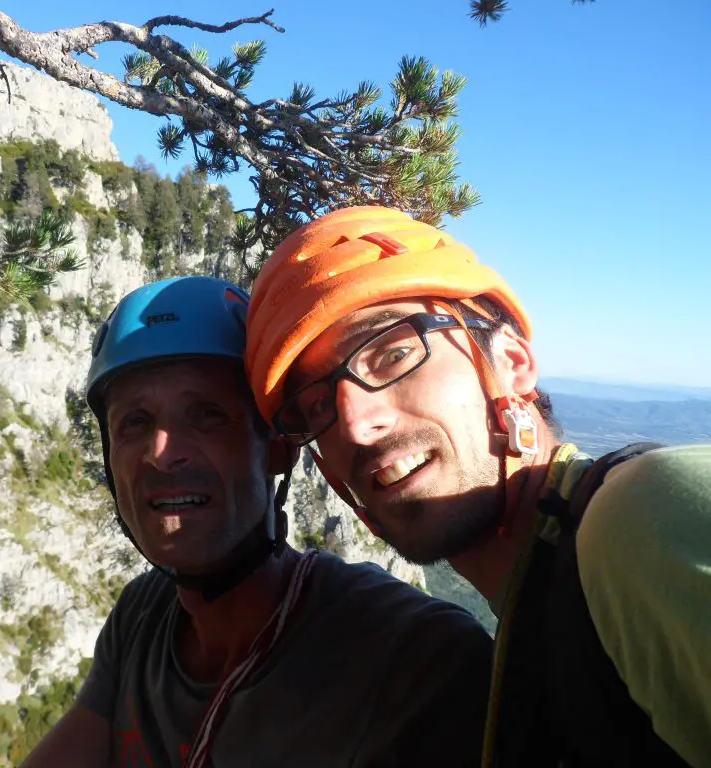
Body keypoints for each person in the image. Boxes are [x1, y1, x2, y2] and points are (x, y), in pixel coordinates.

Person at [244, 205, 711, 767]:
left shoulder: (646, 516)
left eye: (392, 353)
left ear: (512, 362)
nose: (355, 423)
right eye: (315, 407)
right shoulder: (536, 620)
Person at [22, 275, 494, 768]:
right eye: (134, 423)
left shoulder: (413, 659)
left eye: (206, 415)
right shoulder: (142, 616)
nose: (161, 454)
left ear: (277, 446)